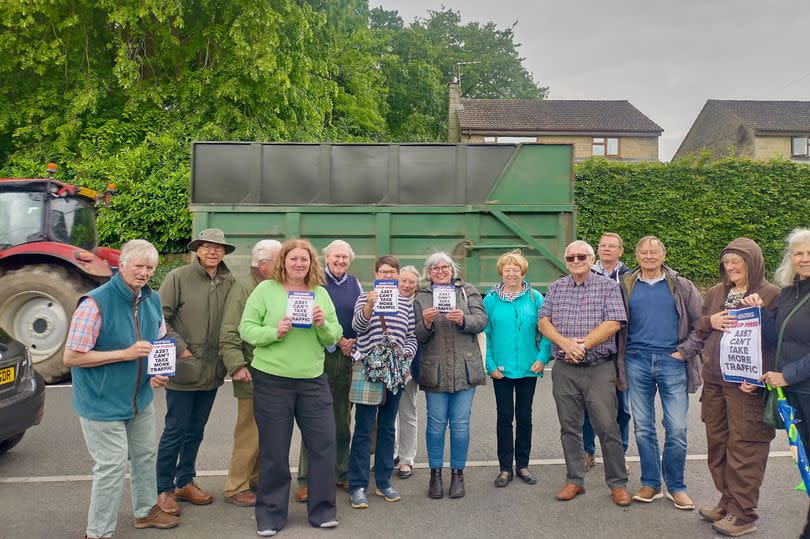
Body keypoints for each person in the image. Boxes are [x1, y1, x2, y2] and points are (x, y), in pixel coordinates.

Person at [64, 239, 178, 538]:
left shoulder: (151, 299)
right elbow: (72, 356)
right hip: (102, 402)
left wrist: (157, 373)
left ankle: (145, 511)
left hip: (139, 399)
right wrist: (124, 354)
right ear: (122, 265)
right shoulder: (94, 303)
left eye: (150, 267)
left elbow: (158, 341)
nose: (144, 272)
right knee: (111, 467)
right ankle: (98, 532)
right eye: (138, 266)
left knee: (143, 456)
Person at [239, 238, 343, 535]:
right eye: (293, 258)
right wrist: (274, 331)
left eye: (305, 259)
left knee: (323, 445)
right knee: (274, 448)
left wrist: (323, 324)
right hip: (272, 380)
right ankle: (271, 515)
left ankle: (323, 511)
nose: (299, 264)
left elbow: (334, 335)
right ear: (283, 261)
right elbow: (246, 328)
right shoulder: (265, 290)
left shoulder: (320, 294)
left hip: (312, 380)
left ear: (312, 264)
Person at [538, 240, 631, 506]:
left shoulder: (609, 286)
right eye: (571, 258)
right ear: (565, 261)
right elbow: (543, 321)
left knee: (607, 427)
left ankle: (618, 483)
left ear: (591, 259)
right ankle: (575, 480)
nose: (576, 261)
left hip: (599, 368)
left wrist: (581, 344)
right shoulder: (556, 288)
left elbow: (614, 322)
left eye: (581, 257)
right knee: (569, 427)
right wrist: (565, 344)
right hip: (565, 368)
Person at [696, 238, 778, 536]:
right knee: (717, 445)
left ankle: (744, 514)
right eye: (727, 262)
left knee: (746, 447)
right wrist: (710, 320)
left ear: (752, 263)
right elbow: (699, 326)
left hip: (746, 386)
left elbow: (777, 342)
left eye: (737, 261)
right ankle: (727, 502)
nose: (730, 267)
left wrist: (761, 377)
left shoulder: (771, 295)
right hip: (715, 382)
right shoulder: (718, 292)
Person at [618, 236, 703, 510]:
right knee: (643, 428)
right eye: (644, 252)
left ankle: (676, 487)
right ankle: (651, 482)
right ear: (636, 255)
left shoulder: (681, 286)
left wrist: (684, 352)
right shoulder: (625, 285)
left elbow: (700, 324)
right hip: (636, 360)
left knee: (676, 427)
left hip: (672, 361)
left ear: (664, 255)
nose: (649, 256)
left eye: (654, 252)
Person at [155, 228, 235, 514]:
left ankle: (184, 482)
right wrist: (182, 349)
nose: (212, 252)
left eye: (218, 247)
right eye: (206, 247)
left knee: (196, 431)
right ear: (197, 249)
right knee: (174, 430)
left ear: (224, 252)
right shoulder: (178, 277)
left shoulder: (229, 280)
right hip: (184, 369)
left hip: (213, 370)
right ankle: (163, 490)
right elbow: (159, 318)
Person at [742, 227, 810, 539]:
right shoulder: (788, 292)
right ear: (790, 258)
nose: (804, 258)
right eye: (799, 253)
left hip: (803, 388)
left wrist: (788, 375)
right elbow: (776, 338)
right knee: (806, 463)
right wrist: (760, 313)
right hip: (793, 395)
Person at [413, 252, 488, 499]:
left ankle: (458, 474)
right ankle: (435, 475)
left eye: (444, 267)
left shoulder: (467, 291)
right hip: (435, 368)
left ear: (452, 269)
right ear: (428, 273)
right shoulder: (422, 297)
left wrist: (464, 319)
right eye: (434, 268)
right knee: (435, 425)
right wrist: (425, 322)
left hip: (465, 368)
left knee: (460, 424)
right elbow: (418, 335)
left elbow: (482, 321)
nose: (440, 271)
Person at [347, 256, 418, 508]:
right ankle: (357, 485)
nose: (388, 276)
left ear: (398, 275)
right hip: (368, 367)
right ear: (376, 274)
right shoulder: (364, 297)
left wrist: (406, 354)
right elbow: (357, 327)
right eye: (383, 272)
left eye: (392, 272)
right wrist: (368, 306)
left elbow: (411, 335)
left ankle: (384, 481)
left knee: (388, 427)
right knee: (364, 428)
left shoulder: (406, 304)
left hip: (395, 371)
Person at [295, 240, 362, 502]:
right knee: (314, 419)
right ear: (326, 257)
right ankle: (305, 479)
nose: (341, 261)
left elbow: (360, 318)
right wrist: (337, 341)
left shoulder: (355, 284)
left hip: (347, 358)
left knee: (343, 419)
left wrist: (353, 341)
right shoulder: (314, 281)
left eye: (345, 257)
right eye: (337, 256)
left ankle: (341, 472)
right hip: (319, 356)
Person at [219, 239, 282, 507]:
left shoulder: (267, 286)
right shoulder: (245, 287)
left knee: (262, 430)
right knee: (249, 431)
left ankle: (253, 479)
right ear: (264, 265)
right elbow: (230, 330)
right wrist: (237, 365)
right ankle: (236, 486)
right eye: (280, 261)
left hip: (265, 370)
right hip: (251, 370)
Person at [483, 250, 552, 488]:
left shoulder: (535, 298)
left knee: (524, 416)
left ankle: (522, 465)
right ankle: (504, 468)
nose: (511, 273)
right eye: (507, 269)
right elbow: (485, 335)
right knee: (504, 417)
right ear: (501, 273)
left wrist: (542, 358)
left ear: (523, 272)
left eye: (516, 269)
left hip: (528, 367)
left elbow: (547, 331)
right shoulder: (490, 299)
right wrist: (490, 365)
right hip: (500, 370)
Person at [583, 232, 632, 472]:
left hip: (622, 350)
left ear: (621, 251)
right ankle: (587, 452)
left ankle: (619, 454)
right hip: (593, 348)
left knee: (622, 407)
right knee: (588, 405)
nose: (606, 249)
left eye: (612, 246)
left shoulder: (631, 277)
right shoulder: (585, 272)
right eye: (602, 246)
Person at [394, 265, 422, 479]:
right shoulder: (387, 299)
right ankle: (391, 454)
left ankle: (406, 459)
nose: (407, 285)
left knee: (407, 411)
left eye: (411, 282)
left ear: (417, 285)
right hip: (385, 366)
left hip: (409, 365)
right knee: (387, 414)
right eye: (403, 280)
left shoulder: (420, 304)